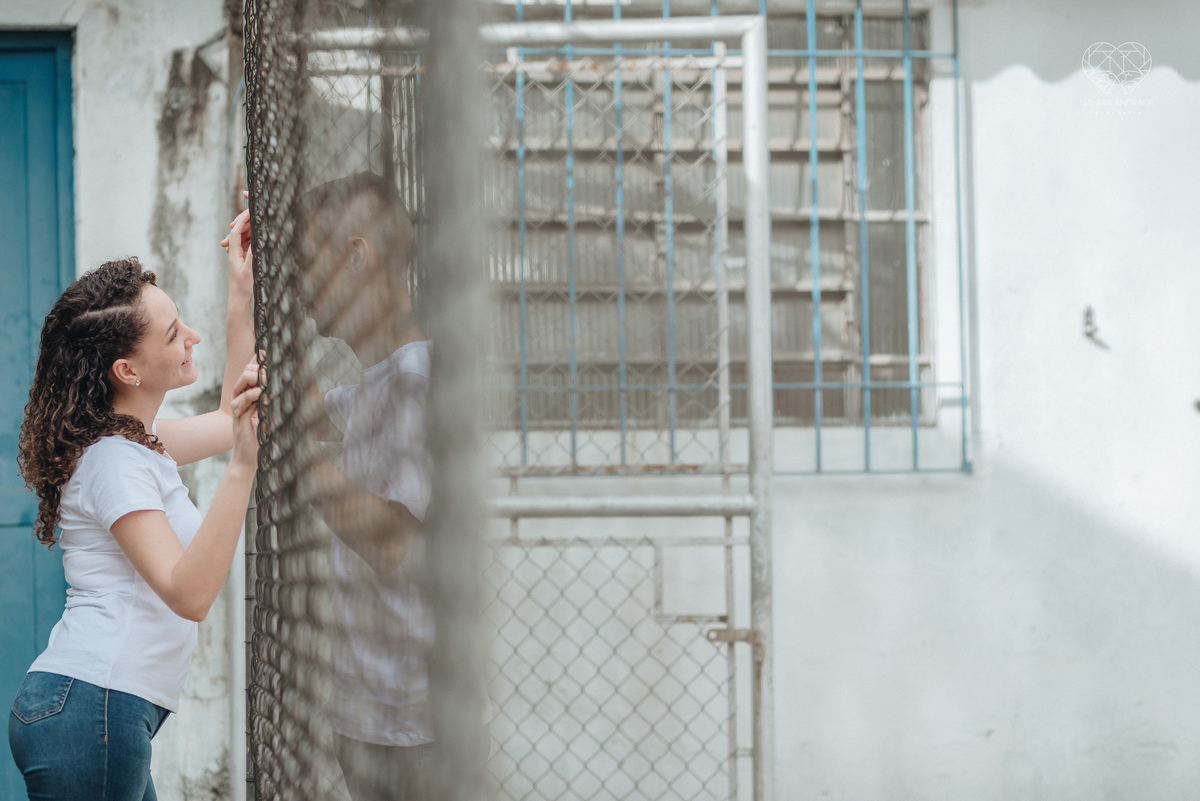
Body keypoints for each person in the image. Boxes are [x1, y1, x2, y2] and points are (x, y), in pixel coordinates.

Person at [7, 208, 261, 801]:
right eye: (174, 334)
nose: (190, 337)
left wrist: (240, 291)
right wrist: (243, 468)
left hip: (91, 709)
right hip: (90, 710)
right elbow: (189, 593)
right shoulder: (115, 462)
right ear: (127, 369)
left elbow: (228, 419)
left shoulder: (129, 443)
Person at [297, 172, 486, 800]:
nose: (299, 289)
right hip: (369, 721)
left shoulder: (416, 383)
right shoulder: (377, 383)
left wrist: (293, 457)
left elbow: (387, 541)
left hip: (414, 736)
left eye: (307, 263)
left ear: (357, 257)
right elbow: (297, 405)